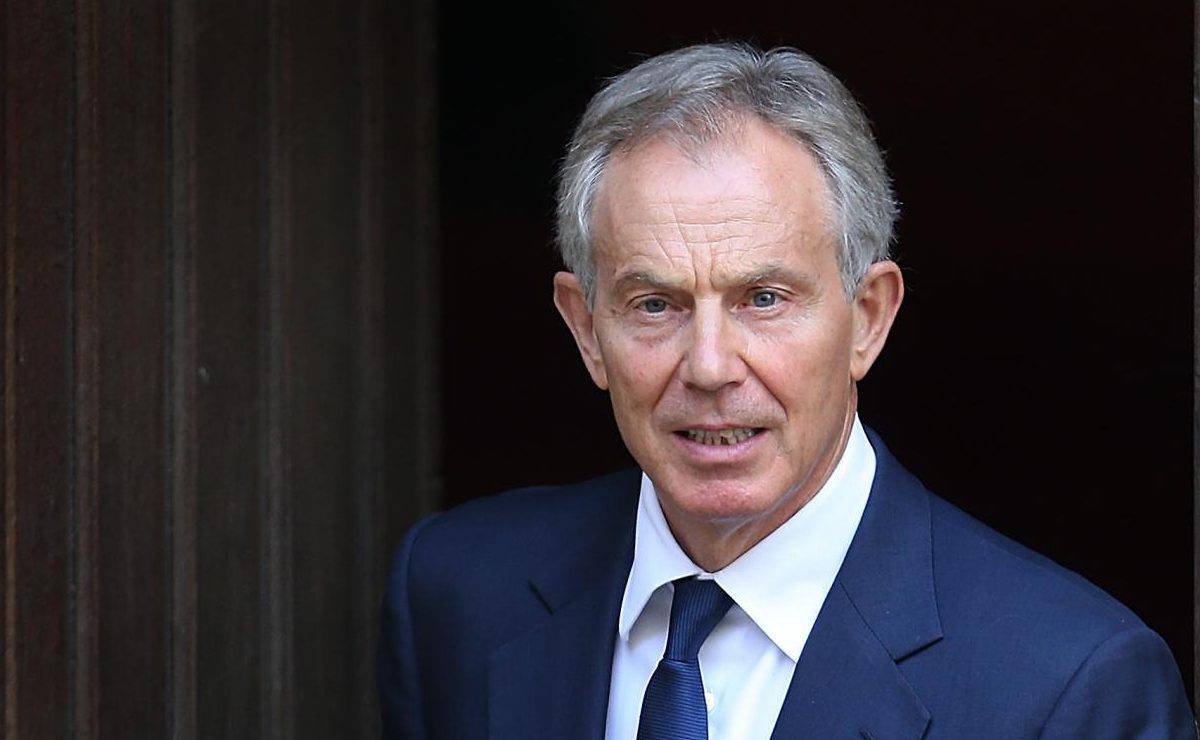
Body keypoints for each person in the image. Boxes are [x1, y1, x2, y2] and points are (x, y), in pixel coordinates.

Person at [378, 43, 1194, 738]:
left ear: (868, 319)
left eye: (763, 299)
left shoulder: (1068, 685)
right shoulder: (457, 595)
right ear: (587, 330)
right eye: (655, 305)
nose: (710, 366)